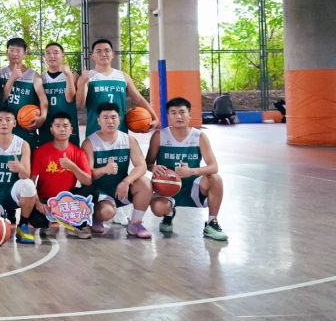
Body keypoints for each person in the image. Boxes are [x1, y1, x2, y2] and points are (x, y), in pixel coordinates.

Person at [147, 97, 228, 241]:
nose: (178, 116)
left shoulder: (199, 136)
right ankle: (168, 214)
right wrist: (154, 167)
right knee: (159, 208)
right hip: (166, 186)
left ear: (190, 115)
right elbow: (148, 163)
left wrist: (192, 171)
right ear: (168, 116)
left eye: (182, 112)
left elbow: (214, 166)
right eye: (173, 112)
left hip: (193, 187)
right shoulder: (159, 136)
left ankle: (212, 222)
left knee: (216, 179)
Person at [81, 103, 152, 238]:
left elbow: (141, 166)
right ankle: (95, 216)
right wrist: (104, 169)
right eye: (105, 117)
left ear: (119, 119)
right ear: (98, 121)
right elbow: (87, 176)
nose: (110, 121)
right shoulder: (89, 143)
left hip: (121, 189)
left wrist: (126, 181)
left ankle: (135, 223)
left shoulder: (128, 140)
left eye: (113, 117)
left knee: (145, 183)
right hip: (100, 192)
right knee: (106, 212)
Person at [31, 112, 95, 239]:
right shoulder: (40, 152)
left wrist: (72, 166)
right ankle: (46, 225)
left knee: (92, 191)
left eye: (65, 126)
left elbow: (88, 181)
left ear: (71, 130)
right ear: (51, 130)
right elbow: (31, 181)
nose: (62, 129)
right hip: (47, 201)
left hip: (68, 203)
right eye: (58, 126)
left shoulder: (78, 153)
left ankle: (76, 225)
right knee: (35, 219)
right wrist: (37, 203)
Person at [77, 39, 158, 138]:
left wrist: (155, 117)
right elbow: (79, 103)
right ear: (92, 56)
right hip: (95, 130)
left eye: (107, 50)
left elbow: (139, 99)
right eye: (99, 51)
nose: (103, 54)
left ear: (113, 54)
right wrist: (82, 83)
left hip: (120, 130)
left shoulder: (123, 76)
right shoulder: (87, 77)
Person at [0, 108, 36, 244]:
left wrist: (19, 168)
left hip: (12, 193)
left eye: (8, 120)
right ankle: (3, 214)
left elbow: (26, 174)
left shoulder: (23, 144)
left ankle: (23, 225)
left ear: (14, 123)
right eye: (0, 120)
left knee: (28, 185)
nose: (4, 123)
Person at [0, 37, 48, 148]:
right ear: (7, 52)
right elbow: (2, 98)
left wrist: (43, 116)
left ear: (25, 53)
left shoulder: (33, 75)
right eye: (12, 50)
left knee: (27, 155)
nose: (15, 54)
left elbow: (43, 99)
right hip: (5, 124)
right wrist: (12, 78)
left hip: (26, 124)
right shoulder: (0, 73)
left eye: (18, 51)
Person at [39, 43, 79, 146]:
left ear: (63, 56)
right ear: (45, 57)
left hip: (67, 124)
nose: (51, 56)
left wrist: (68, 75)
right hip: (47, 124)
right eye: (48, 53)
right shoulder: (40, 79)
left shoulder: (73, 75)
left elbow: (70, 98)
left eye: (55, 53)